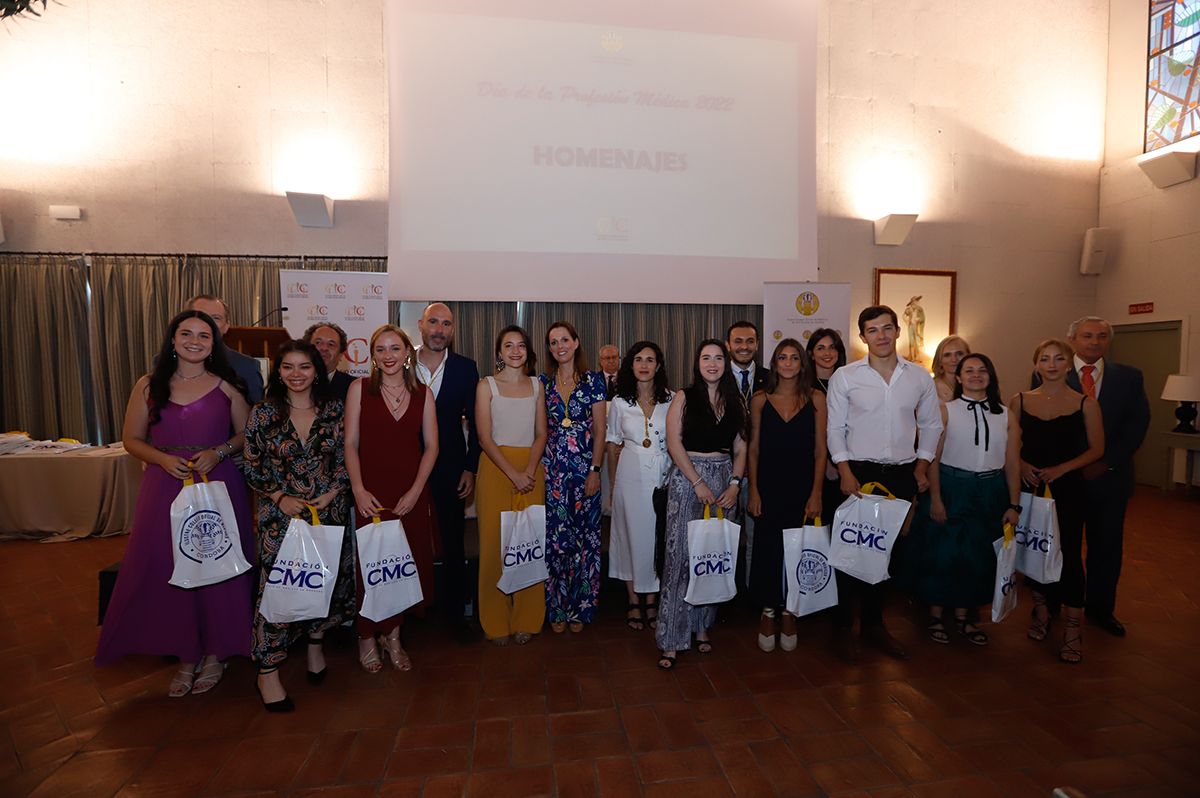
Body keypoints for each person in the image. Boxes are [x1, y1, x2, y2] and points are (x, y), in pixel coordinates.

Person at [95, 310, 254, 698]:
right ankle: (185, 654)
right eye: (187, 333)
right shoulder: (149, 385)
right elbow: (131, 439)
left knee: (219, 566)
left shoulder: (227, 385)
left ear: (214, 342)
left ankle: (217, 653)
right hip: (165, 484)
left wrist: (218, 452)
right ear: (173, 338)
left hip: (217, 484)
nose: (195, 341)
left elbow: (247, 435)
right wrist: (162, 459)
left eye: (204, 335)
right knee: (168, 564)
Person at [826, 305, 943, 663]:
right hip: (857, 474)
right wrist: (844, 471)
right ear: (862, 337)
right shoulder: (845, 377)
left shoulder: (919, 377)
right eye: (872, 330)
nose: (881, 336)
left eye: (887, 328)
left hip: (901, 473)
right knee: (850, 553)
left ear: (897, 332)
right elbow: (835, 428)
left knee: (885, 555)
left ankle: (875, 625)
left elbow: (932, 425)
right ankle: (845, 628)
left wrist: (922, 468)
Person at [243, 340, 352, 712]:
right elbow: (251, 465)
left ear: (316, 371)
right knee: (278, 593)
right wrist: (277, 497)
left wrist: (335, 489)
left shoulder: (334, 409)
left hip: (327, 514)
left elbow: (344, 458)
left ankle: (315, 648)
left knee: (323, 586)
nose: (296, 374)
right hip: (281, 519)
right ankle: (268, 671)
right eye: (287, 367)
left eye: (304, 366)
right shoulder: (263, 414)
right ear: (278, 372)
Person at [903, 354, 1021, 647]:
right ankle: (935, 615)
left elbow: (1013, 464)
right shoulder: (946, 411)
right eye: (969, 371)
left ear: (991, 376)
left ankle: (964, 617)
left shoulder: (1006, 415)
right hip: (952, 486)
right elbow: (933, 457)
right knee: (943, 553)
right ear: (959, 377)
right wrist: (937, 499)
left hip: (990, 489)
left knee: (978, 555)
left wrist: (1014, 504)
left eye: (982, 370)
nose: (976, 375)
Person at [344, 324, 439, 672]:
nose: (388, 356)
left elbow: (432, 447)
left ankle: (394, 636)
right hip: (370, 492)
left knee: (403, 565)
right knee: (370, 565)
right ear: (373, 355)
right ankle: (367, 635)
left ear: (406, 353)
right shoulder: (358, 390)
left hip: (409, 494)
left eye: (394, 348)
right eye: (381, 350)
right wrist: (357, 488)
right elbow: (350, 444)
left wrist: (416, 491)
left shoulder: (424, 393)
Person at [656, 339, 747, 670]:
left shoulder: (735, 400)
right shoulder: (684, 396)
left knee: (713, 556)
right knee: (680, 557)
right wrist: (697, 482)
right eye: (706, 358)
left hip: (725, 481)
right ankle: (671, 638)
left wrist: (736, 484)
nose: (712, 363)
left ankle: (701, 627)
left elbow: (741, 447)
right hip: (687, 480)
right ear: (697, 363)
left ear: (726, 363)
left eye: (718, 358)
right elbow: (673, 443)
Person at [1014, 339, 1104, 663]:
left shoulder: (1085, 404)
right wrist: (1023, 465)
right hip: (1031, 486)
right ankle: (1041, 611)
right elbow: (1010, 446)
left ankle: (1072, 628)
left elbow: (1097, 449)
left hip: (1067, 489)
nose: (1051, 364)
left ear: (1069, 365)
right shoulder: (1019, 401)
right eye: (1045, 359)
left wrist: (1061, 469)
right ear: (1036, 364)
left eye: (1058, 359)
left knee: (1067, 553)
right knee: (1034, 549)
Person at [1066, 317, 1149, 637]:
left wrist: (1107, 462)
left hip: (1111, 480)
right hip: (1068, 480)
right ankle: (1062, 602)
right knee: (1066, 546)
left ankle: (1101, 610)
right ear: (1072, 339)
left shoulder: (1129, 377)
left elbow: (1137, 425)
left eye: (1101, 336)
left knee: (1107, 548)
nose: (1094, 342)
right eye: (1087, 336)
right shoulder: (1053, 370)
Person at [747, 339, 826, 652]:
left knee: (799, 550)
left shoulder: (817, 398)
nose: (789, 363)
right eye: (783, 357)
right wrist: (753, 489)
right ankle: (768, 611)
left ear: (802, 363)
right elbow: (753, 449)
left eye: (795, 358)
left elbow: (821, 451)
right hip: (768, 485)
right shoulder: (759, 400)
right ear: (775, 363)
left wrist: (817, 491)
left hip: (802, 486)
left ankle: (791, 610)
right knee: (768, 547)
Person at [474, 326, 548, 644]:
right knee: (495, 547)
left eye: (521, 345)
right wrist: (512, 474)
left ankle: (527, 618)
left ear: (528, 351)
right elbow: (483, 437)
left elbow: (541, 433)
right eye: (508, 345)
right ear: (499, 353)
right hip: (495, 470)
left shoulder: (536, 385)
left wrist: (528, 470)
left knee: (529, 546)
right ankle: (495, 619)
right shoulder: (485, 386)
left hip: (531, 471)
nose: (515, 351)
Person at [414, 302, 482, 627]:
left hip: (452, 469)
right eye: (433, 322)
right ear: (420, 325)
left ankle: (455, 613)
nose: (439, 329)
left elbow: (478, 425)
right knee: (410, 540)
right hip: (406, 468)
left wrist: (471, 467)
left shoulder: (466, 368)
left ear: (453, 330)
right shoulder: (398, 363)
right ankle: (411, 613)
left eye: (446, 324)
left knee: (453, 541)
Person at [541, 321, 608, 633]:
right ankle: (556, 607)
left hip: (585, 473)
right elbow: (540, 431)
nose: (559, 346)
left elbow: (600, 431)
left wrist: (595, 470)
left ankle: (581, 607)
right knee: (556, 542)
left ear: (577, 342)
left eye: (564, 339)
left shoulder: (594, 381)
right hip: (553, 473)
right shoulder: (543, 383)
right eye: (553, 342)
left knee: (585, 542)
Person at [606, 341, 672, 632]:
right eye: (638, 359)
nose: (644, 365)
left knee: (656, 538)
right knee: (630, 536)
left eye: (650, 359)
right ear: (630, 365)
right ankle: (634, 600)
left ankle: (653, 599)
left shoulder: (672, 399)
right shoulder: (620, 402)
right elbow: (612, 444)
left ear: (658, 365)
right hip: (629, 477)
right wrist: (613, 486)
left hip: (662, 475)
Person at [726, 320, 764, 594]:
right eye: (738, 341)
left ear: (757, 345)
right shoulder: (714, 374)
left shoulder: (771, 378)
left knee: (756, 537)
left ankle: (753, 593)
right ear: (728, 345)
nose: (744, 347)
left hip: (760, 472)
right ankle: (723, 593)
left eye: (749, 341)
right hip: (724, 471)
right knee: (724, 537)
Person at [187, 295, 265, 402]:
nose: (208, 323)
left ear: (226, 326)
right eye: (200, 316)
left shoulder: (246, 367)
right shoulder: (162, 363)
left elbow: (254, 415)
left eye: (215, 318)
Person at [807, 328, 849, 523]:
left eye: (832, 348)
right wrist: (826, 465)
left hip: (848, 463)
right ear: (811, 354)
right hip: (815, 465)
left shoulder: (850, 381)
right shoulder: (803, 386)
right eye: (820, 348)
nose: (827, 353)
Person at [303, 322, 354, 402]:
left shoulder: (353, 386)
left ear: (341, 354)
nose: (324, 348)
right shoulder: (294, 381)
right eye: (318, 342)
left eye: (331, 344)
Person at [932, 336, 971, 403]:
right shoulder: (931, 387)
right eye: (947, 355)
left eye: (959, 354)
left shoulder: (976, 384)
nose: (954, 359)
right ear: (940, 361)